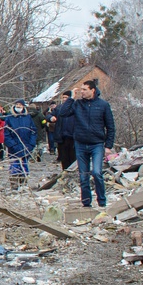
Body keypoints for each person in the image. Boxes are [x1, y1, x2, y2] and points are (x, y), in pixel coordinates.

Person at [54, 78, 116, 208]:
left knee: (97, 173)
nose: (82, 92)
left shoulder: (103, 105)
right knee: (83, 176)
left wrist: (108, 146)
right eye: (81, 89)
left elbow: (110, 126)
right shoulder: (77, 104)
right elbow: (63, 113)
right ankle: (86, 203)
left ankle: (102, 202)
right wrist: (71, 97)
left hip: (97, 144)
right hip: (81, 144)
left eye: (84, 90)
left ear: (92, 90)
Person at [5, 102, 37, 188]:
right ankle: (15, 184)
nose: (19, 106)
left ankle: (24, 183)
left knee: (24, 164)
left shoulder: (27, 117)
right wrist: (12, 145)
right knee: (14, 165)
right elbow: (6, 134)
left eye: (20, 105)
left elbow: (33, 131)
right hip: (14, 147)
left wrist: (31, 144)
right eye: (17, 104)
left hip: (26, 146)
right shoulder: (9, 118)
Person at [48, 93, 76, 174]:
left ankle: (73, 174)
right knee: (64, 159)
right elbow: (48, 115)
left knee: (73, 158)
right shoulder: (59, 108)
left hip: (73, 138)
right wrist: (51, 118)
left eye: (66, 97)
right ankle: (65, 174)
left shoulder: (76, 107)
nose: (64, 99)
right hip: (62, 137)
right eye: (63, 97)